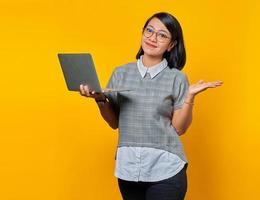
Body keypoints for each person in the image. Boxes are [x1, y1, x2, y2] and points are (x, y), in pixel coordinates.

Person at [79, 12, 223, 200]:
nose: (153, 38)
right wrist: (99, 99)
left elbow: (179, 128)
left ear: (171, 45)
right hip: (128, 168)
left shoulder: (177, 78)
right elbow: (114, 122)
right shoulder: (120, 73)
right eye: (149, 30)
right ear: (142, 33)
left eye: (162, 35)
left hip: (166, 167)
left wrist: (190, 96)